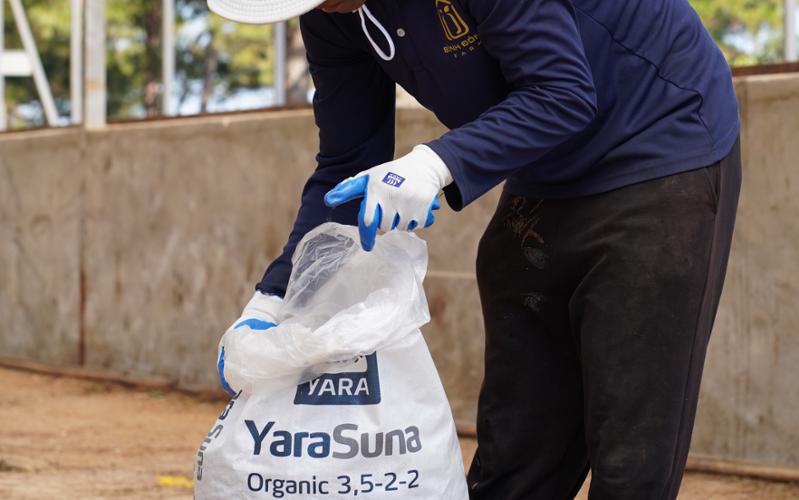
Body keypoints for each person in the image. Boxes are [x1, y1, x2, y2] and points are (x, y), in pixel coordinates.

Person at [209, 0, 741, 498]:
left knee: (632, 450)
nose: (323, 8)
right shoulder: (333, 15)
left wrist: (432, 165)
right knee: (516, 452)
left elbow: (562, 92)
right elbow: (345, 165)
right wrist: (272, 301)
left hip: (660, 144)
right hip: (546, 170)